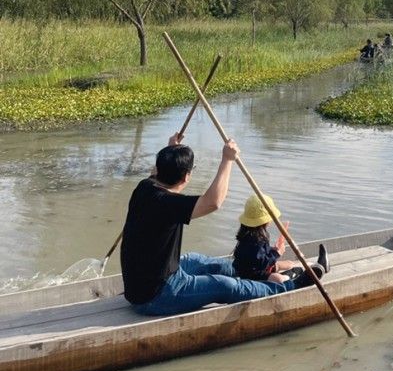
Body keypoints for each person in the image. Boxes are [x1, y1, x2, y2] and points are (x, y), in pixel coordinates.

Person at [120, 133, 315, 317]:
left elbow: (159, 171)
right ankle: (289, 287)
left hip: (148, 281)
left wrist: (172, 150)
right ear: (186, 177)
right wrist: (227, 160)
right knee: (224, 286)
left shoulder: (144, 187)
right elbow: (213, 202)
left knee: (196, 260)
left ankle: (255, 273)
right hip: (156, 295)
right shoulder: (168, 203)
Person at [233, 193, 328, 284]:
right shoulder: (256, 239)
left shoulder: (251, 235)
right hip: (255, 274)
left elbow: (258, 254)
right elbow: (261, 263)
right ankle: (295, 273)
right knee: (278, 279)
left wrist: (271, 250)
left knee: (289, 263)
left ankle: (316, 265)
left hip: (259, 269)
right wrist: (276, 253)